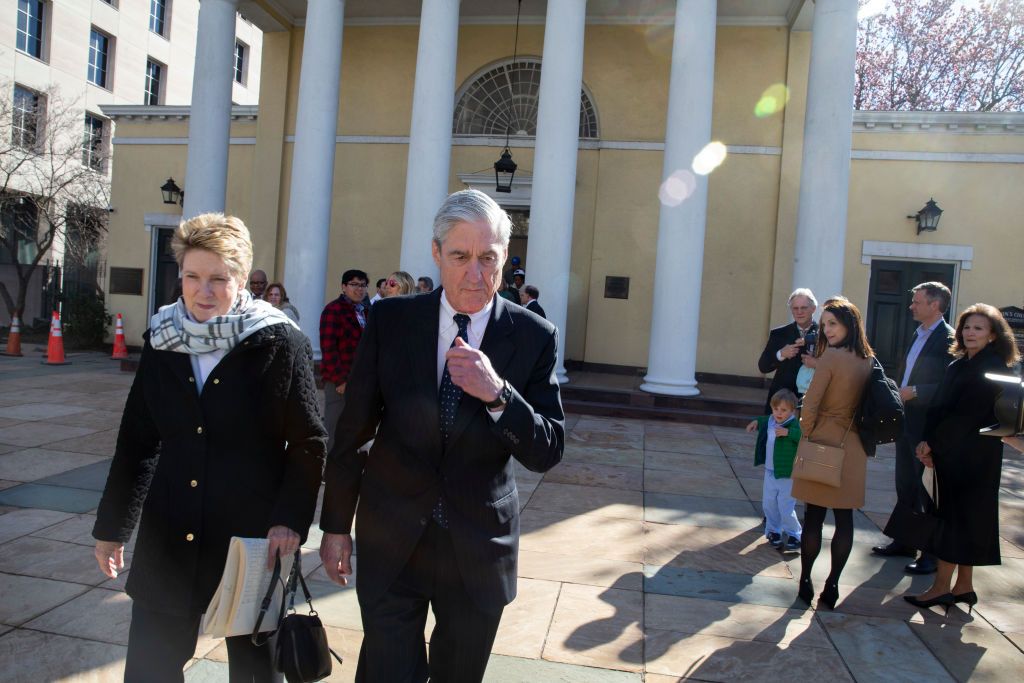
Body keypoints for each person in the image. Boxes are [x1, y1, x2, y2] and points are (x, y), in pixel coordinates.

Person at [318, 189, 565, 682]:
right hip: (392, 535)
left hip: (477, 546)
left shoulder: (534, 335)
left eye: (488, 258)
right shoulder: (392, 320)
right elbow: (352, 431)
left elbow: (548, 449)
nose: (476, 274)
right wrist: (335, 525)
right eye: (460, 257)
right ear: (436, 253)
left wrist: (498, 395)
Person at [91, 213, 326, 682]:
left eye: (219, 278)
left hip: (249, 538)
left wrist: (289, 520)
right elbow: (138, 438)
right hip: (169, 533)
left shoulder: (278, 341)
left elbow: (308, 442)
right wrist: (113, 527)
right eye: (192, 277)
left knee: (255, 671)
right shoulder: (163, 338)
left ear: (243, 280)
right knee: (149, 670)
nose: (203, 291)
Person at [905, 304, 1021, 614]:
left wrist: (934, 444)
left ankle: (942, 587)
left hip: (974, 456)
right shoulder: (958, 365)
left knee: (956, 521)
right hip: (952, 452)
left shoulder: (994, 365)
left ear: (993, 334)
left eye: (978, 328)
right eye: (967, 327)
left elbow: (967, 416)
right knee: (961, 520)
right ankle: (963, 586)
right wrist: (926, 443)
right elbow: (940, 407)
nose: (970, 333)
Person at [793, 296, 873, 610]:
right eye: (824, 324)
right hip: (854, 444)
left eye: (832, 324)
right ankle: (833, 583)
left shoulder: (831, 358)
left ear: (849, 324)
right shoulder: (868, 359)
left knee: (814, 516)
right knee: (844, 517)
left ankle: (805, 580)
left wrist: (808, 432)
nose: (827, 330)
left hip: (824, 437)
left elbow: (810, 404)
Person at [873, 282, 954, 575]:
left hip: (928, 425)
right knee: (905, 483)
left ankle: (931, 554)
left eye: (917, 302)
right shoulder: (917, 333)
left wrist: (917, 391)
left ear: (935, 305)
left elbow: (950, 386)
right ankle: (905, 541)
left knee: (927, 490)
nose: (911, 306)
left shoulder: (949, 338)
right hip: (907, 421)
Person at [320, 269, 370, 453]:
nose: (359, 289)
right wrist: (340, 379)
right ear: (343, 287)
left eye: (363, 285)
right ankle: (330, 471)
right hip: (340, 382)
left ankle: (348, 469)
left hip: (361, 381)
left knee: (355, 429)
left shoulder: (367, 310)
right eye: (354, 284)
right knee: (335, 428)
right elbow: (328, 348)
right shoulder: (333, 310)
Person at [747, 388, 802, 551]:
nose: (778, 413)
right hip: (770, 471)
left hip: (787, 473)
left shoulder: (794, 425)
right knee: (769, 504)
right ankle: (773, 531)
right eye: (775, 409)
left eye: (783, 410)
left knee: (785, 506)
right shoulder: (771, 420)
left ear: (792, 411)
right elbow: (763, 420)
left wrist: (788, 433)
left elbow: (803, 437)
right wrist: (755, 421)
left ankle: (794, 534)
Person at [758, 288, 818, 413]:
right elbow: (763, 367)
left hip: (811, 399)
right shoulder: (778, 333)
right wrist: (780, 354)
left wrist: (816, 363)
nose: (799, 312)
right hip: (781, 401)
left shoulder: (824, 335)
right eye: (795, 308)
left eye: (804, 308)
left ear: (813, 309)